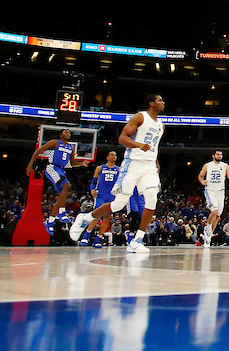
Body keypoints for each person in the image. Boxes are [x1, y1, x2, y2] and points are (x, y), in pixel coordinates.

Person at [71, 94, 166, 253]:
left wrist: (155, 163)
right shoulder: (140, 117)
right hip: (133, 163)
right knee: (118, 205)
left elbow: (154, 147)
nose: (163, 103)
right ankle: (85, 218)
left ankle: (137, 240)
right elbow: (122, 138)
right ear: (151, 103)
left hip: (149, 165)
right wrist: (138, 145)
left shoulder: (161, 125)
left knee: (152, 199)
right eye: (159, 100)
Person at [25, 127, 89, 235]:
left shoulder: (71, 147)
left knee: (62, 197)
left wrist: (81, 163)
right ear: (61, 135)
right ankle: (61, 212)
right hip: (52, 168)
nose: (68, 133)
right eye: (65, 132)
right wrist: (30, 165)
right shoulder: (55, 142)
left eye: (69, 132)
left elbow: (72, 163)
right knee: (67, 186)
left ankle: (49, 222)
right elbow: (38, 151)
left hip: (61, 170)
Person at [82, 150, 120, 247]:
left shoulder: (119, 169)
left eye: (115, 155)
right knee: (97, 215)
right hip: (101, 195)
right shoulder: (100, 168)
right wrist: (92, 190)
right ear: (107, 157)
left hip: (111, 196)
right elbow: (93, 182)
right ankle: (86, 236)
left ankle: (98, 239)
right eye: (112, 155)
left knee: (108, 217)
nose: (114, 156)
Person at [198, 149, 229, 248]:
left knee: (218, 216)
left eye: (221, 154)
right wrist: (202, 181)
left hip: (221, 191)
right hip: (210, 190)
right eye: (218, 154)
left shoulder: (225, 166)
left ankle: (209, 235)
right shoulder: (208, 165)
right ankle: (208, 228)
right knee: (214, 211)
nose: (220, 156)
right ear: (213, 156)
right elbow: (200, 176)